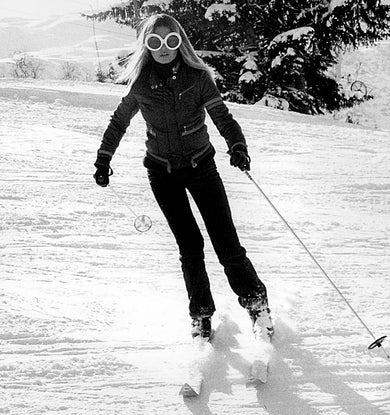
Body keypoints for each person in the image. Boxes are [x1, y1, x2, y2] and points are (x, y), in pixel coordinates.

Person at [93, 13, 273, 342]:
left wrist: (238, 145)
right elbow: (119, 121)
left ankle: (257, 305)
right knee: (189, 246)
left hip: (201, 166)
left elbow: (222, 115)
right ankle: (201, 315)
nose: (164, 48)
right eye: (155, 42)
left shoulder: (198, 78)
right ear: (146, 45)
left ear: (181, 43)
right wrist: (104, 158)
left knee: (225, 241)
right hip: (162, 172)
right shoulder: (141, 82)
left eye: (171, 41)